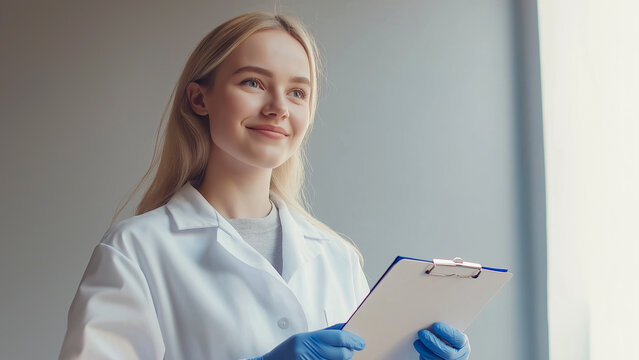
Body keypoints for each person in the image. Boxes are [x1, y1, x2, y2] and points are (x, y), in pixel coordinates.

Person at [59, 11, 471, 360]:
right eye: (253, 83)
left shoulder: (337, 258)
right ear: (199, 99)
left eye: (297, 92)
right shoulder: (136, 250)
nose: (277, 108)